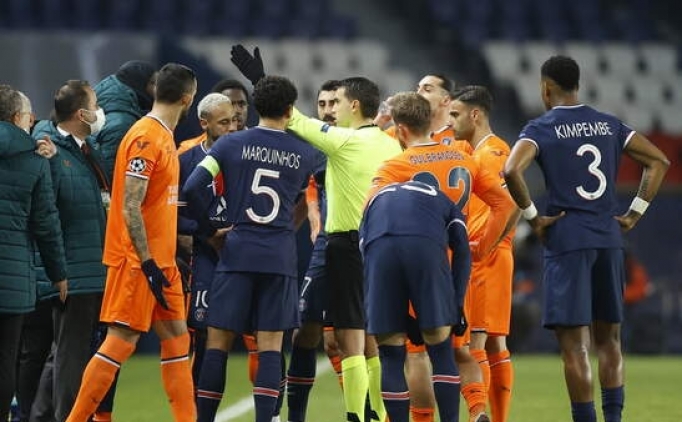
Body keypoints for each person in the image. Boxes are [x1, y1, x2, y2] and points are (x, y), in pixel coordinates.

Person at [503, 55, 670, 422]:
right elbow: (658, 161)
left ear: (546, 89)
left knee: (575, 347)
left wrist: (533, 218)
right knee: (610, 341)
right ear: (578, 85)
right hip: (608, 239)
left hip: (567, 239)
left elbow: (511, 170)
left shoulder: (542, 127)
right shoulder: (609, 124)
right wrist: (634, 213)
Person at [369, 91, 518, 422]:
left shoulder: (396, 166)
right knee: (459, 350)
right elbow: (506, 204)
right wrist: (482, 246)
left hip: (413, 261)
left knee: (412, 355)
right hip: (456, 265)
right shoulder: (464, 159)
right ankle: (477, 410)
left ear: (401, 130)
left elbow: (371, 211)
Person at [65, 63, 198, 422]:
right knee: (120, 342)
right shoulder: (145, 136)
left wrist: (165, 257)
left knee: (178, 339)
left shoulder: (162, 135)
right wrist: (148, 261)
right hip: (138, 262)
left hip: (161, 261)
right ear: (188, 99)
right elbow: (129, 205)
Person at [185, 75, 321, 422]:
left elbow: (192, 187)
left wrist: (211, 230)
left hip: (236, 252)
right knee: (270, 347)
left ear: (254, 108)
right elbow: (318, 191)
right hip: (279, 256)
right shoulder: (305, 153)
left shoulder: (230, 144)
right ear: (290, 110)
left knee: (217, 344)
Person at [285, 77, 403, 422]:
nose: (331, 109)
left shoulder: (343, 141)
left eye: (337, 102)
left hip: (345, 246)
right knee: (371, 337)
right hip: (381, 244)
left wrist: (263, 83)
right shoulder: (392, 146)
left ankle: (356, 415)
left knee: (349, 339)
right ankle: (378, 414)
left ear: (353, 105)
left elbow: (294, 119)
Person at [28, 80, 110, 422]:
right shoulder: (51, 152)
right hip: (74, 274)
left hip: (91, 268)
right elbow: (46, 217)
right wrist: (58, 271)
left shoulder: (86, 150)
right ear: (81, 114)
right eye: (95, 104)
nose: (100, 111)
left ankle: (42, 417)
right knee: (70, 356)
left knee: (64, 355)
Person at [362, 179, 471, 422]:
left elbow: (366, 256)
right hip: (425, 245)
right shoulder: (444, 199)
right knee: (441, 350)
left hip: (379, 246)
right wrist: (456, 305)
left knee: (390, 356)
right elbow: (462, 248)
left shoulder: (375, 200)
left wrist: (399, 317)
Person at [450, 85, 519, 422]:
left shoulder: (491, 154)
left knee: (476, 342)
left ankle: (480, 415)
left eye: (455, 115)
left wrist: (483, 247)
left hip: (484, 255)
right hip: (490, 253)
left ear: (475, 115)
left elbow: (509, 206)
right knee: (493, 343)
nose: (451, 121)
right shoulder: (477, 149)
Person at [0, 85, 68, 421]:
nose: (32, 122)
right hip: (12, 282)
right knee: (5, 360)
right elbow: (46, 225)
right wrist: (58, 274)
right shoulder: (34, 162)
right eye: (29, 117)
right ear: (17, 118)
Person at [286, 79, 346, 422]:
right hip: (325, 249)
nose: (327, 110)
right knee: (305, 331)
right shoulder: (315, 147)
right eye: (322, 104)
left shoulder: (363, 142)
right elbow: (311, 184)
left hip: (360, 248)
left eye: (333, 103)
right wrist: (310, 214)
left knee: (359, 341)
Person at [177, 92, 236, 387]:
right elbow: (172, 215)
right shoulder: (185, 161)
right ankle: (197, 408)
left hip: (243, 255)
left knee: (263, 336)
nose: (231, 128)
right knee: (203, 334)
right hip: (205, 257)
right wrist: (206, 235)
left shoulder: (246, 156)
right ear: (204, 123)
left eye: (234, 121)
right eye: (224, 122)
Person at [93, 60, 157, 181]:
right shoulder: (122, 123)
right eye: (153, 83)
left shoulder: (109, 101)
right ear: (140, 84)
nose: (157, 90)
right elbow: (110, 176)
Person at [177, 78, 249, 155]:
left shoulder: (257, 145)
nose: (237, 110)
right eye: (230, 104)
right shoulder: (188, 149)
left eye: (241, 104)